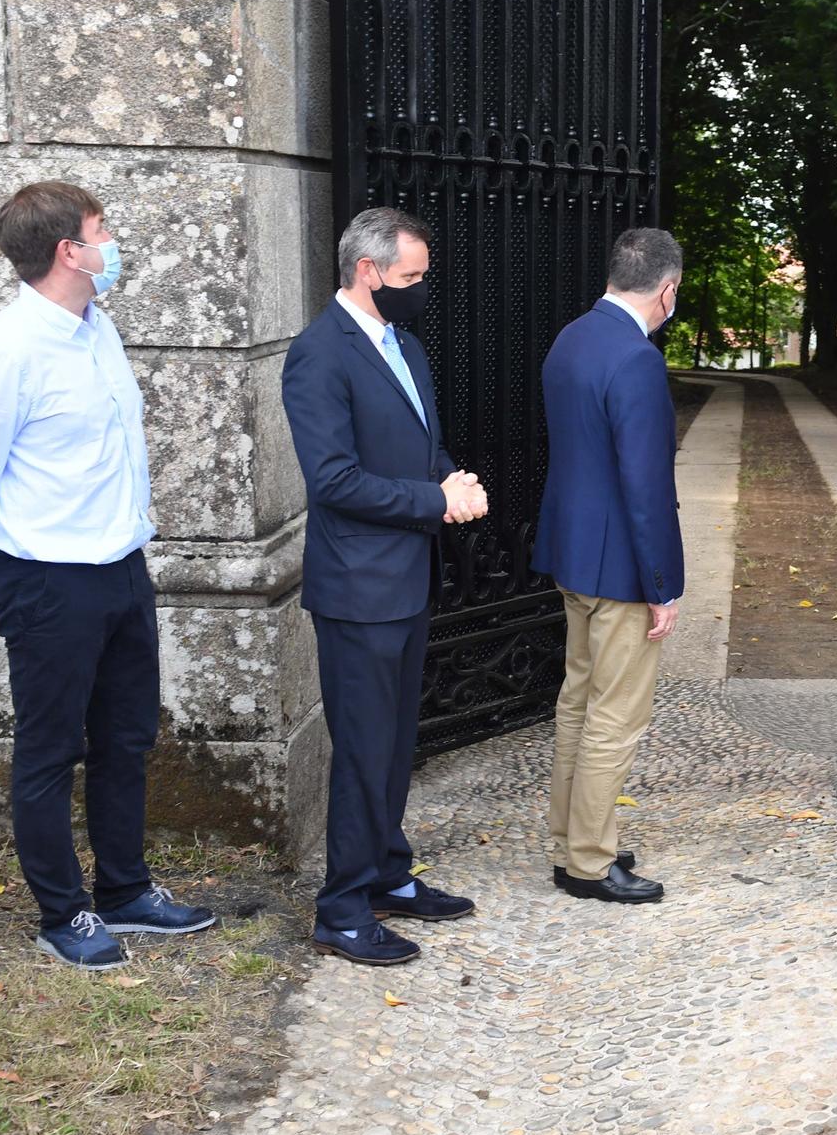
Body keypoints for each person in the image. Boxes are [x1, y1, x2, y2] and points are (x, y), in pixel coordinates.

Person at [0, 181, 215, 970]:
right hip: (48, 578)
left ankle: (126, 890)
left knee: (126, 738)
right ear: (68, 251)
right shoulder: (6, 349)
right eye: (102, 230)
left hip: (121, 567)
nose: (112, 242)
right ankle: (65, 912)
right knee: (50, 749)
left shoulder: (98, 330)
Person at [282, 207, 487, 967]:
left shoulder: (404, 343)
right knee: (363, 750)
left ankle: (388, 877)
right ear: (366, 271)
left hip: (407, 578)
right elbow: (333, 480)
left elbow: (420, 445)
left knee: (397, 746)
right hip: (358, 590)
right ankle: (340, 906)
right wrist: (435, 501)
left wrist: (449, 476)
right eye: (410, 277)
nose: (420, 289)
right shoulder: (318, 355)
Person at [532, 228, 684, 905]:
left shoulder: (572, 337)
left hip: (572, 552)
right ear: (667, 289)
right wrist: (664, 586)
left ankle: (572, 839)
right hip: (621, 567)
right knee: (614, 719)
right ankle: (589, 861)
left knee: (577, 705)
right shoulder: (636, 358)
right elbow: (645, 484)